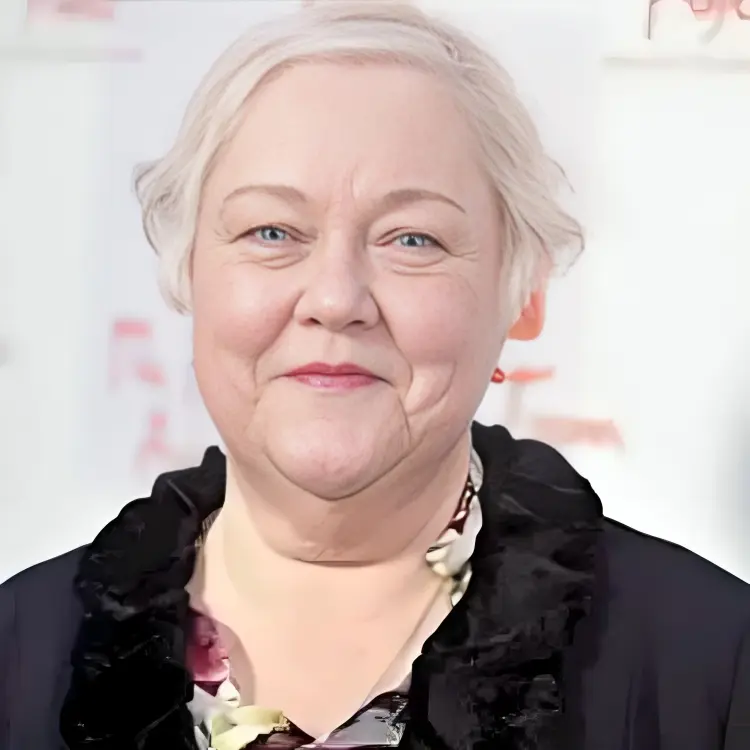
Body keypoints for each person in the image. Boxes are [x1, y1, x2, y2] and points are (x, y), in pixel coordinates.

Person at [1, 2, 749, 749]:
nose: (335, 299)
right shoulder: (19, 658)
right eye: (272, 232)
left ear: (523, 295)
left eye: (412, 239)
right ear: (188, 274)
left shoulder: (711, 668)